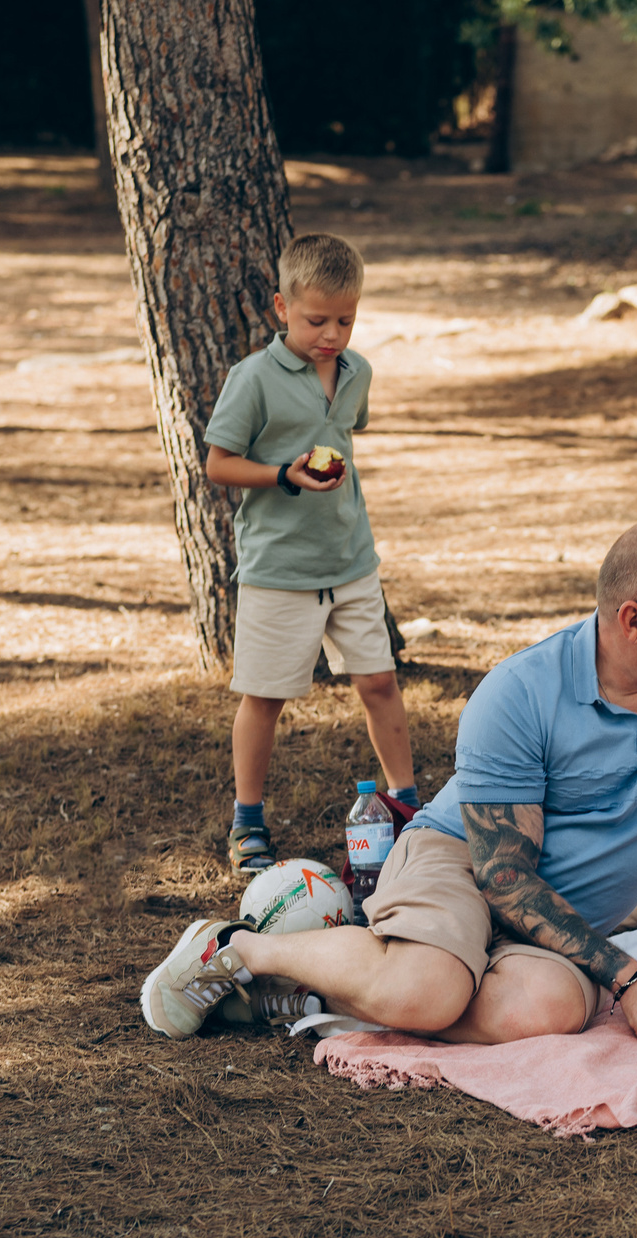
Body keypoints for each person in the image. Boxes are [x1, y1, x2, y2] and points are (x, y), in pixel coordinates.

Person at [140, 521, 637, 1044]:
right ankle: (236, 947)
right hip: (463, 862)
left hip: (560, 924)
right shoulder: (522, 692)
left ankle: (297, 997)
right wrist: (630, 975)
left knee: (546, 1012)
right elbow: (504, 879)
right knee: (430, 990)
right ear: (633, 622)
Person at [202, 231, 417, 875]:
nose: (332, 334)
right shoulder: (254, 379)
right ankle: (247, 822)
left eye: (345, 320)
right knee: (265, 696)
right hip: (280, 569)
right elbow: (217, 464)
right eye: (316, 319)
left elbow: (344, 437)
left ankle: (407, 806)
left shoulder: (357, 372)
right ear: (281, 309)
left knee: (379, 680)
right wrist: (284, 475)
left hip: (351, 560)